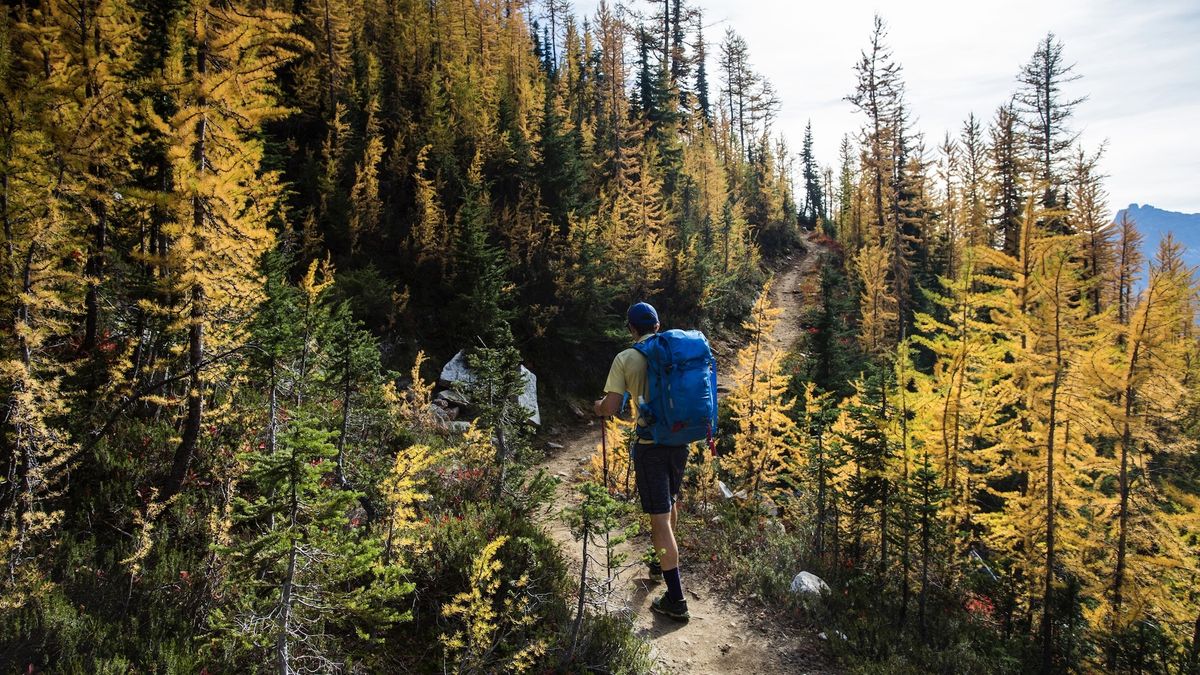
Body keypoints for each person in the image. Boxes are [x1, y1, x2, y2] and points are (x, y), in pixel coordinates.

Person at [593, 302, 690, 622]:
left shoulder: (626, 358)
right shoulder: (675, 350)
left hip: (651, 446)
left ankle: (676, 599)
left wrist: (597, 407)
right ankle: (658, 566)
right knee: (670, 504)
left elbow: (611, 406)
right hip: (680, 441)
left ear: (631, 328)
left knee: (659, 518)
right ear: (658, 325)